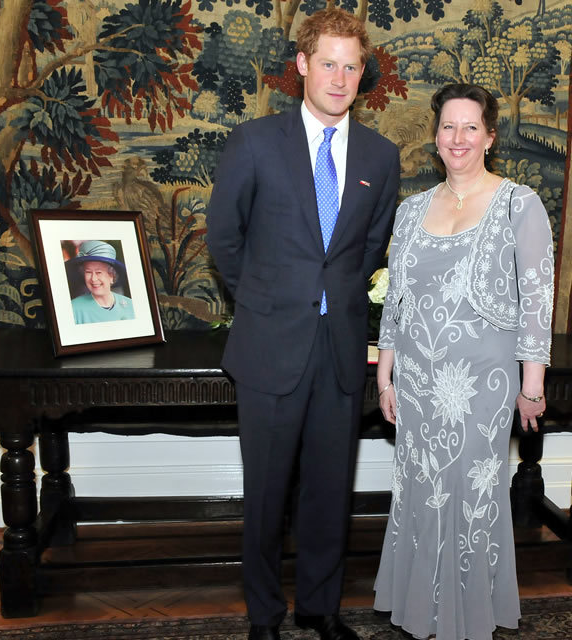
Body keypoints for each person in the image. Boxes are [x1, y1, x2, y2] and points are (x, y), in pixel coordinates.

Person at [205, 8, 400, 640]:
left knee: (327, 491)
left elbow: (370, 247)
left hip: (340, 351)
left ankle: (320, 608)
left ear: (361, 71)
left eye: (351, 65)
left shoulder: (380, 154)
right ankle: (264, 614)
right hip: (268, 348)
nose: (340, 78)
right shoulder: (255, 142)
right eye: (328, 64)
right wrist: (267, 301)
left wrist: (330, 298)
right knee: (265, 495)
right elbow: (224, 239)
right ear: (302, 66)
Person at [372, 83, 554, 640]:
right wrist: (385, 372)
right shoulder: (410, 210)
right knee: (421, 487)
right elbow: (396, 300)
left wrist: (532, 385)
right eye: (448, 126)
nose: (458, 138)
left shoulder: (519, 203)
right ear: (435, 135)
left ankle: (470, 613)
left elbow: (537, 299)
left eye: (470, 127)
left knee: (474, 490)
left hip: (484, 380)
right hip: (419, 378)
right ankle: (421, 607)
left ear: (490, 136)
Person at [66, 240, 135, 324]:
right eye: (88, 272)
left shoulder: (131, 305)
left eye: (99, 272)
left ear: (112, 276)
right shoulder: (73, 308)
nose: (93, 279)